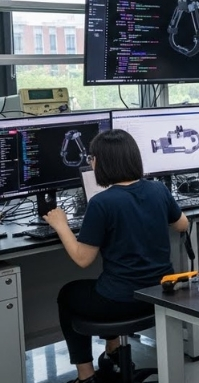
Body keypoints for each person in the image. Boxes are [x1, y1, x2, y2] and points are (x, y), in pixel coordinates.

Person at [44, 129, 189, 383]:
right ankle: (113, 351)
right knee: (104, 280)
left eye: (92, 158)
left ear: (100, 162)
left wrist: (61, 225)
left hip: (121, 301)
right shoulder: (158, 190)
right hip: (158, 295)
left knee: (68, 294)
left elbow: (82, 259)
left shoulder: (102, 203)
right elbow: (183, 225)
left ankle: (86, 376)